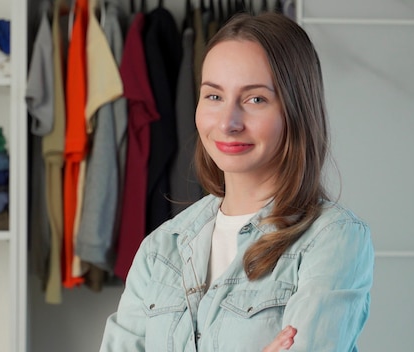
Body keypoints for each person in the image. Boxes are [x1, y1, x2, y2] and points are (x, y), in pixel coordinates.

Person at [99, 11, 374, 352]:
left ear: (296, 110)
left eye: (255, 99)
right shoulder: (161, 249)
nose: (228, 122)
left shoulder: (332, 239)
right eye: (214, 96)